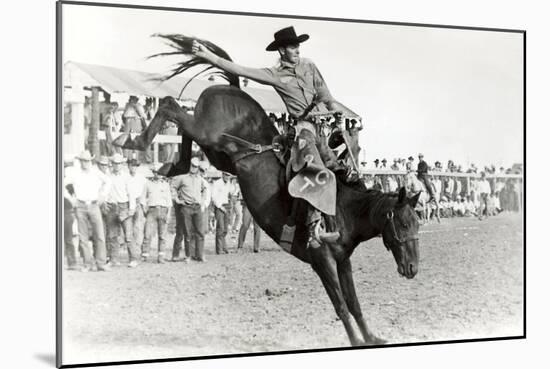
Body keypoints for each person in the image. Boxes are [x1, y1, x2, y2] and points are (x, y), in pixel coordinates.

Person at [192, 25, 359, 249]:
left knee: (343, 171)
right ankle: (313, 228)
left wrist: (339, 112)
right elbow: (239, 69)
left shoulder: (309, 66)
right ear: (281, 51)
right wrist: (208, 56)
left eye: (298, 45)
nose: (297, 49)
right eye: (292, 46)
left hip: (322, 129)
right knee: (315, 172)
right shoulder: (275, 74)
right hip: (303, 132)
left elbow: (327, 97)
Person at [65, 151, 110, 271]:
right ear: (79, 161)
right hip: (80, 205)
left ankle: (101, 263)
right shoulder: (75, 174)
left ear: (90, 161)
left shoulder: (96, 173)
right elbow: (62, 184)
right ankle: (87, 264)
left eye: (87, 160)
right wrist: (71, 199)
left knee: (99, 235)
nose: (85, 163)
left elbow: (108, 182)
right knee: (83, 236)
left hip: (94, 205)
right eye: (83, 160)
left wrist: (103, 196)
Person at [170, 157, 211, 262]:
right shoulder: (182, 177)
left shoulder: (200, 179)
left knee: (200, 232)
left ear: (198, 168)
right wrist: (177, 199)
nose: (194, 168)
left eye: (196, 167)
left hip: (197, 207)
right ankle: (188, 255)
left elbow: (205, 189)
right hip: (186, 207)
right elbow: (173, 186)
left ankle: (200, 254)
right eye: (192, 166)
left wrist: (202, 200)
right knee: (187, 233)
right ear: (190, 165)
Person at [104, 153, 140, 268]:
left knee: (128, 235)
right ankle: (113, 259)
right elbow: (104, 191)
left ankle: (133, 259)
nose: (117, 165)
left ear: (122, 164)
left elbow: (131, 194)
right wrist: (104, 202)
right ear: (112, 164)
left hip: (124, 206)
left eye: (119, 163)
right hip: (111, 207)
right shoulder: (107, 176)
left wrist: (131, 208)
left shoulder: (126, 177)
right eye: (115, 163)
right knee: (112, 235)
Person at [141, 163, 172, 263]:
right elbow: (142, 199)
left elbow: (169, 201)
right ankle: (145, 255)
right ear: (153, 172)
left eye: (160, 172)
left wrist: (168, 214)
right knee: (147, 233)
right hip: (152, 210)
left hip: (163, 210)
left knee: (162, 235)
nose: (158, 174)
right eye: (156, 172)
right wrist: (144, 210)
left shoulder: (166, 185)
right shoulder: (148, 184)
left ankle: (161, 256)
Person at [127, 158, 147, 254]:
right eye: (132, 165)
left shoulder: (141, 178)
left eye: (135, 166)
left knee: (138, 227)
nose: (134, 168)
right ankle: (130, 251)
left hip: (138, 203)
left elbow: (144, 191)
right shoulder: (125, 177)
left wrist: (142, 203)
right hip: (127, 203)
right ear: (128, 166)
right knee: (128, 227)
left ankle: (137, 250)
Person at [211, 171, 232, 254]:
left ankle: (224, 247)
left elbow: (229, 194)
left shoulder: (228, 184)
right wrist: (220, 206)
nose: (227, 177)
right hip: (219, 206)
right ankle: (219, 249)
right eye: (226, 175)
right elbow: (214, 197)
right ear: (222, 174)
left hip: (227, 206)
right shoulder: (217, 183)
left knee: (225, 229)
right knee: (220, 228)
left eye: (228, 175)